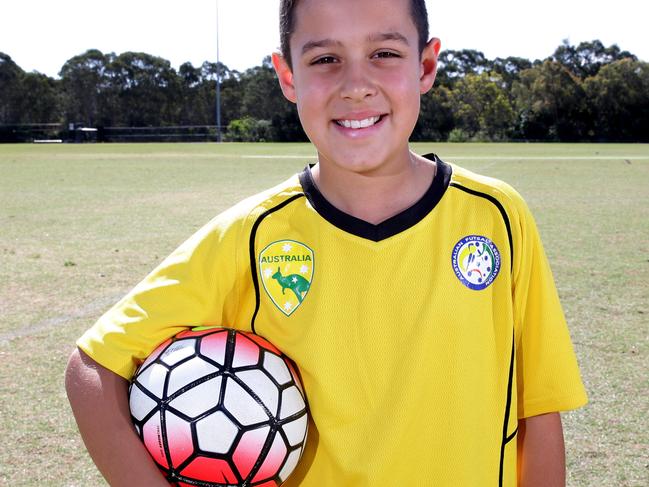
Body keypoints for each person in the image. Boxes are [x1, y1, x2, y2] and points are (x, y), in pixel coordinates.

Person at [65, 0, 588, 485]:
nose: (355, 85)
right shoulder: (251, 235)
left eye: (384, 53)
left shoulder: (497, 216)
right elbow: (91, 369)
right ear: (287, 75)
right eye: (325, 59)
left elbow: (537, 411)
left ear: (425, 66)